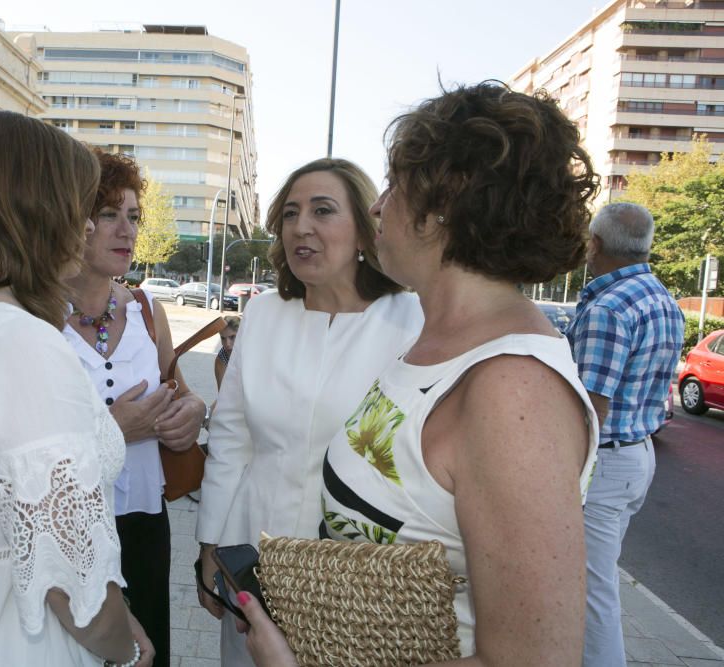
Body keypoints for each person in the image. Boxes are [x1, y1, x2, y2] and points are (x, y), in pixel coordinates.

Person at [232, 82, 602, 666]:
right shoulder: (439, 342)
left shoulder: (511, 389)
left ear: (444, 207)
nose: (377, 207)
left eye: (396, 185)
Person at [0, 110, 153, 667]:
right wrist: (127, 648)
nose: (87, 227)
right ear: (30, 212)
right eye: (77, 207)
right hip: (18, 634)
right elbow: (69, 572)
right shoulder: (17, 341)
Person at [195, 158, 424, 666]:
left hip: (356, 576)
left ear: (365, 230)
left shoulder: (412, 320)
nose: (302, 227)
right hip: (251, 555)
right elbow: (231, 438)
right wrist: (210, 544)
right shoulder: (265, 313)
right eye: (291, 213)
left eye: (323, 211)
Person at [64, 148, 206, 667]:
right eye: (108, 214)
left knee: (148, 654)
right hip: (68, 518)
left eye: (134, 217)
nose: (126, 231)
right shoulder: (35, 316)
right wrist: (113, 428)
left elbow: (182, 393)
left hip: (145, 516)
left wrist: (191, 414)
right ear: (71, 219)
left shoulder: (148, 308)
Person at [567, 202, 684, 667]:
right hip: (636, 456)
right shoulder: (661, 297)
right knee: (598, 580)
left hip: (604, 463)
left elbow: (588, 409)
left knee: (592, 590)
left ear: (596, 245)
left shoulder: (609, 308)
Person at [214, 316, 240, 389]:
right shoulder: (222, 358)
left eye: (232, 337)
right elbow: (222, 394)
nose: (227, 344)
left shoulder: (252, 352)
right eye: (223, 338)